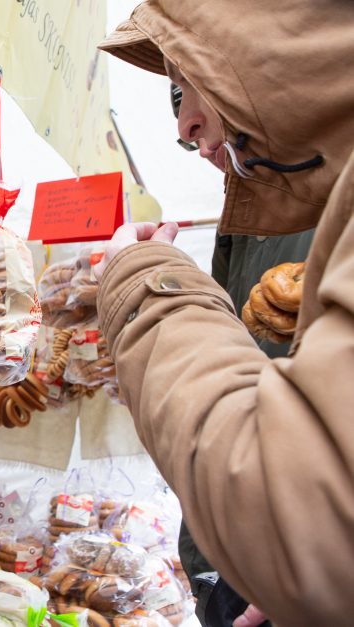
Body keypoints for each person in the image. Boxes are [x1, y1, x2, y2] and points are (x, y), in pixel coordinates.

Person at [92, 2, 354, 625]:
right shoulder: (271, 212)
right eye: (172, 93)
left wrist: (146, 284)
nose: (184, 126)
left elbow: (294, 513)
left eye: (190, 81)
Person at [169, 84, 313, 627]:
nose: (187, 132)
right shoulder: (245, 207)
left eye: (189, 93)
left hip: (295, 558)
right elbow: (228, 349)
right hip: (231, 544)